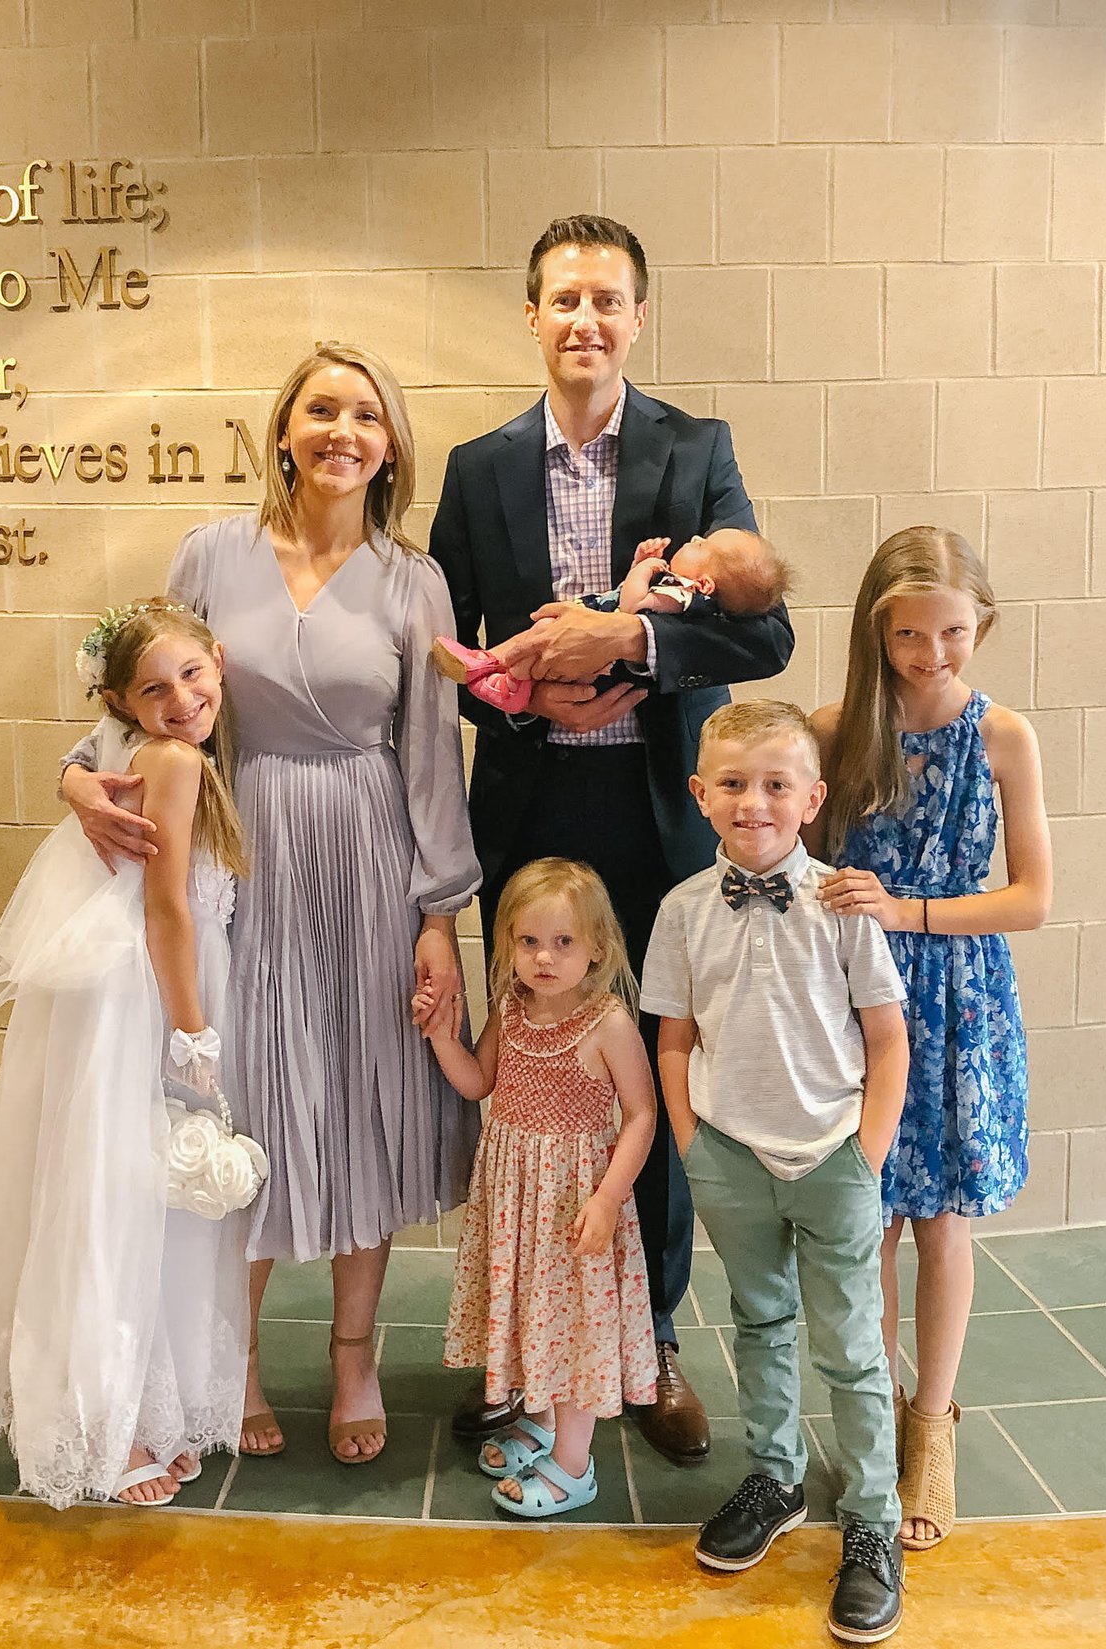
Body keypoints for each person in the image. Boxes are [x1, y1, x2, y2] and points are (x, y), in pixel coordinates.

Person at [59, 343, 481, 1467]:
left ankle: (351, 1357)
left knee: (362, 1102)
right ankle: (230, 1362)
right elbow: (144, 695)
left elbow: (431, 758)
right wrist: (74, 770)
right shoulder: (211, 552)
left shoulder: (412, 579)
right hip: (239, 856)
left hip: (368, 860)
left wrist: (439, 916)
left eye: (366, 415)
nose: (343, 430)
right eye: (320, 409)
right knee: (236, 1103)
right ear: (282, 430)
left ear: (391, 447)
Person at [430, 213, 794, 1462]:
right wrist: (534, 683)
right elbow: (445, 654)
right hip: (528, 819)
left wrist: (629, 646)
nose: (584, 319)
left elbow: (765, 635)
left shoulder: (697, 455)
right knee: (533, 1088)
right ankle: (523, 1339)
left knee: (651, 1081)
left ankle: (651, 1345)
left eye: (607, 300)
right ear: (530, 317)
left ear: (637, 318)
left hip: (652, 827)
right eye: (562, 299)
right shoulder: (477, 471)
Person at [0, 599, 252, 1507]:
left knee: (135, 1200)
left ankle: (143, 1409)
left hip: (135, 996)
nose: (181, 698)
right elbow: (167, 910)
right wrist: (193, 1031)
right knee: (116, 1201)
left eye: (191, 675)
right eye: (154, 688)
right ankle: (103, 1425)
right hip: (145, 1004)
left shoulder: (131, 751)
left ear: (219, 661)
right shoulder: (173, 762)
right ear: (123, 699)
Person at [640, 699, 911, 1644]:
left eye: (775, 784)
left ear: (811, 797)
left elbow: (887, 1035)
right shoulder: (680, 912)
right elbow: (674, 1041)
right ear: (701, 794)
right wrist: (690, 1144)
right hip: (730, 1155)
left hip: (833, 1154)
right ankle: (777, 1474)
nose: (753, 801)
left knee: (850, 1344)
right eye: (734, 783)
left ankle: (873, 1521)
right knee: (761, 1322)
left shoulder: (843, 903)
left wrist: (864, 1152)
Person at [810, 527, 1051, 1552]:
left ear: (980, 624)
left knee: (943, 1221)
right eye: (908, 634)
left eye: (952, 632)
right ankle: (874, 1415)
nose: (931, 655)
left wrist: (906, 910)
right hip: (853, 1002)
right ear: (875, 629)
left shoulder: (1002, 736)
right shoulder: (833, 729)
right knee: (865, 1223)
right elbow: (797, 864)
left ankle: (932, 1424)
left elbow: (1031, 898)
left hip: (955, 998)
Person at [417, 858, 658, 1517]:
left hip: (575, 1201)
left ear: (597, 948)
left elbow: (642, 1114)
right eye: (529, 942)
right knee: (533, 1314)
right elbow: (477, 1081)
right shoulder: (511, 1011)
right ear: (507, 945)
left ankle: (574, 1464)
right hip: (516, 1199)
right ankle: (544, 1422)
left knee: (575, 1325)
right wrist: (442, 1036)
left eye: (563, 942)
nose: (545, 958)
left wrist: (607, 1197)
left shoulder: (607, 1023)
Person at [434, 528, 790, 712]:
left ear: (705, 583)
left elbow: (633, 605)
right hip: (533, 763)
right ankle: (498, 674)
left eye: (702, 546)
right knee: (540, 635)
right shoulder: (475, 462)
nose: (695, 537)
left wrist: (645, 569)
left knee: (541, 633)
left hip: (619, 687)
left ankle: (497, 669)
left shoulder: (681, 595)